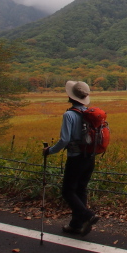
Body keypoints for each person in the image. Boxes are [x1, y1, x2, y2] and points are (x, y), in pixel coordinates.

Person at [43, 81, 100, 236]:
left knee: (68, 191)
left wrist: (50, 151)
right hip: (90, 157)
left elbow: (65, 140)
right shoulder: (89, 113)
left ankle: (88, 216)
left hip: (75, 159)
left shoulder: (69, 115)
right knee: (81, 190)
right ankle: (76, 225)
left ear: (71, 96)